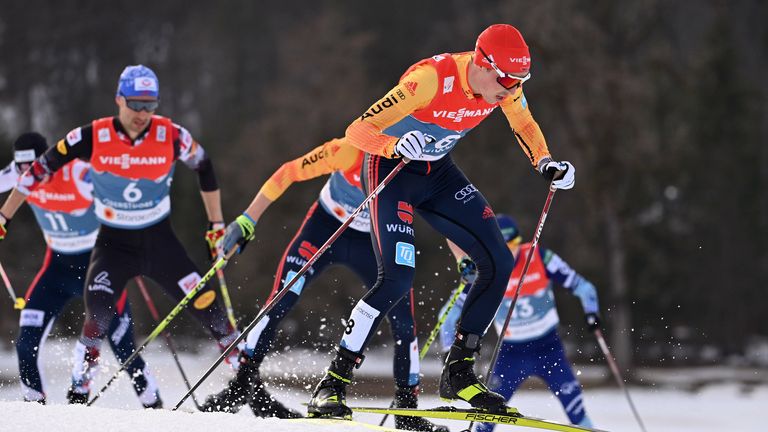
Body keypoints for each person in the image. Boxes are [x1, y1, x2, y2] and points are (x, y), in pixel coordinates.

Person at [281, 23, 577, 418]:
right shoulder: (428, 80)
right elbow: (359, 130)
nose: (511, 89)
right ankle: (332, 384)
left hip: (437, 172)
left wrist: (545, 162)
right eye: (506, 79)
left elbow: (523, 124)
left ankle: (459, 374)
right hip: (393, 170)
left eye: (520, 80)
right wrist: (392, 143)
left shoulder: (505, 86)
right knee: (397, 279)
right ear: (482, 63)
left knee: (499, 261)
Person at [0, 65, 239, 404]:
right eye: (135, 104)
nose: (142, 113)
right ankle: (74, 389)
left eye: (150, 105)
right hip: (102, 249)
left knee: (203, 308)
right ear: (119, 100)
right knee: (91, 320)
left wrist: (216, 224)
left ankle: (242, 377)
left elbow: (203, 163)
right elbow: (37, 171)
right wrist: (3, 217)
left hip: (148, 243)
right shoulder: (87, 139)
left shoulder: (167, 135)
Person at [208, 137, 448, 431]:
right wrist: (248, 219)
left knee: (404, 322)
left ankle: (406, 411)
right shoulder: (348, 149)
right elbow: (288, 172)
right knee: (282, 298)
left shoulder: (415, 163)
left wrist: (465, 258)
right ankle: (241, 385)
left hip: (371, 241)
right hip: (325, 227)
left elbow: (441, 213)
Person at [0, 132, 160, 407]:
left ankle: (154, 406)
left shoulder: (76, 173)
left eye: (34, 167)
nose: (28, 175)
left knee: (124, 351)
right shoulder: (19, 175)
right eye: (21, 169)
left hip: (98, 268)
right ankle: (34, 410)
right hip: (57, 271)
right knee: (26, 344)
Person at [438, 214, 599, 429]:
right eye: (503, 246)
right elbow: (446, 317)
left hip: (549, 349)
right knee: (486, 416)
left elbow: (584, 288)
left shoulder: (540, 257)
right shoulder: (484, 271)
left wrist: (592, 313)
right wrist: (449, 351)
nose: (510, 252)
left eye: (514, 244)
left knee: (576, 411)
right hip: (510, 354)